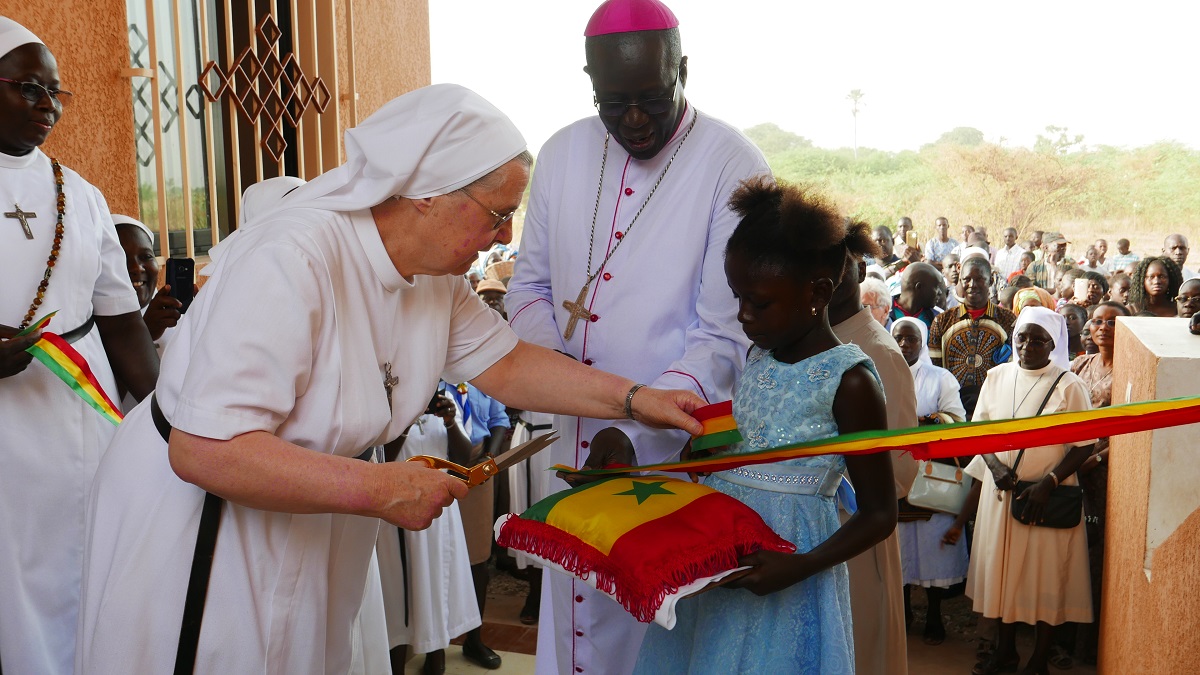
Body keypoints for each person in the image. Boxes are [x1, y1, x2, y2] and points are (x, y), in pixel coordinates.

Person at [75, 84, 707, 674]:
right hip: (207, 526)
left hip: (314, 509)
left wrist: (634, 398)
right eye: (497, 214)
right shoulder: (294, 260)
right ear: (429, 193)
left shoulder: (436, 278)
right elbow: (204, 447)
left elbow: (509, 365)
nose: (504, 238)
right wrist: (375, 487)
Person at [504, 2, 769, 672]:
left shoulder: (733, 162)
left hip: (668, 450)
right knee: (572, 619)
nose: (635, 119)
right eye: (612, 102)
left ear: (684, 67)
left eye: (653, 96)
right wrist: (567, 378)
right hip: (570, 435)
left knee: (652, 625)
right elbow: (527, 290)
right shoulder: (562, 152)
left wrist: (640, 424)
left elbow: (725, 333)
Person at [634, 178, 896, 675]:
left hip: (790, 563)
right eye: (737, 298)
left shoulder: (851, 381)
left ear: (817, 292)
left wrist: (800, 565)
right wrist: (709, 457)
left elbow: (880, 512)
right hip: (723, 555)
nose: (743, 316)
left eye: (760, 302)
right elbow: (751, 443)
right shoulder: (759, 354)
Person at [0, 18, 159, 674]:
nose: (47, 107)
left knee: (98, 563)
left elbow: (121, 320)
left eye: (56, 93)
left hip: (81, 414)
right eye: (29, 88)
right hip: (8, 439)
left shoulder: (83, 196)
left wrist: (172, 417)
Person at [963, 307, 1094, 675]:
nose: (1028, 346)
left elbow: (1085, 443)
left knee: (1045, 576)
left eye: (1038, 340)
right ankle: (1005, 652)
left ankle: (1039, 659)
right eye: (1022, 337)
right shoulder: (996, 376)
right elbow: (978, 431)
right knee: (1003, 573)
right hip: (1001, 493)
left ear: (1054, 344)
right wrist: (995, 466)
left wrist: (1048, 483)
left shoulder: (1069, 385)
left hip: (1046, 497)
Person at [828, 220, 917, 675]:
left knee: (858, 650)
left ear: (858, 270)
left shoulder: (878, 352)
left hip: (856, 534)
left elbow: (900, 472)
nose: (826, 276)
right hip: (812, 536)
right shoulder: (810, 340)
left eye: (839, 265)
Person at [377, 388, 479, 675]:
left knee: (438, 581)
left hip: (440, 511)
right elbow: (382, 458)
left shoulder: (445, 401)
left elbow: (462, 459)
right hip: (399, 509)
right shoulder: (389, 405)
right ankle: (395, 664)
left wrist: (449, 420)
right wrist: (407, 419)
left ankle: (436, 655)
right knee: (399, 591)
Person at [889, 317, 968, 648]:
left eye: (911, 339)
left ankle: (934, 613)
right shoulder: (879, 374)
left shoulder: (941, 378)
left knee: (933, 546)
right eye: (899, 339)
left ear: (922, 343)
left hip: (931, 474)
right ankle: (904, 612)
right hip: (893, 472)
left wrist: (925, 422)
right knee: (901, 547)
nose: (905, 345)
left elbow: (957, 419)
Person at [1069, 301, 1128, 665]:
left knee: (1096, 558)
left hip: (1107, 474)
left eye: (1113, 322)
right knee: (1070, 551)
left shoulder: (1131, 370)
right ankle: (1062, 636)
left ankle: (1085, 647)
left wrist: (1098, 457)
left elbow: (1131, 425)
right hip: (1075, 469)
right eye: (1097, 321)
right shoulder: (1080, 365)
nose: (1103, 327)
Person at [929, 256, 1018, 418]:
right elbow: (934, 370)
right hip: (951, 409)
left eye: (979, 279)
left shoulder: (1008, 320)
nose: (972, 285)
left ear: (991, 281)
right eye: (967, 279)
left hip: (994, 409)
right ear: (960, 281)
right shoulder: (942, 321)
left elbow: (1013, 370)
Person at [889, 261, 940, 328]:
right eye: (936, 286)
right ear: (919, 287)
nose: (940, 292)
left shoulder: (938, 318)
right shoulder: (882, 313)